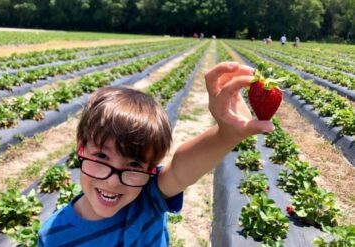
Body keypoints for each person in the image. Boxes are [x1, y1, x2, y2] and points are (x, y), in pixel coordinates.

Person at [38, 62, 274, 246]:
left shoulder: (146, 198)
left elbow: (181, 168)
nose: (112, 180)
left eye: (133, 164)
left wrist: (226, 136)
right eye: (102, 157)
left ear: (151, 169)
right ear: (81, 147)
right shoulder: (52, 237)